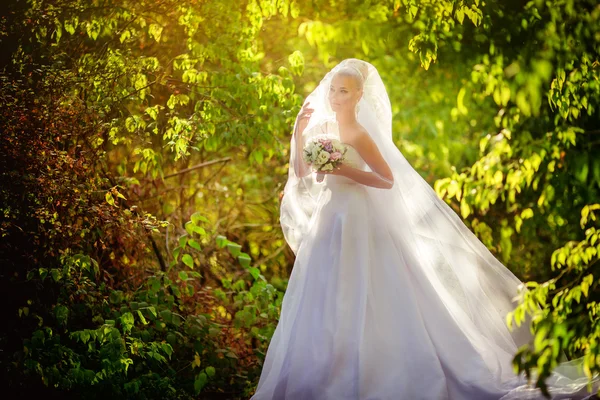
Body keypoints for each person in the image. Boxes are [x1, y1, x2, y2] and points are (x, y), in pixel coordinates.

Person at [250, 58, 600, 399]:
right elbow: (300, 171)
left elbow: (386, 179)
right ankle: (325, 371)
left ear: (357, 96)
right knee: (325, 291)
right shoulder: (322, 132)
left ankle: (381, 370)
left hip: (358, 218)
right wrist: (298, 129)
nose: (335, 97)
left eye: (343, 92)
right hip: (330, 219)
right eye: (333, 90)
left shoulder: (358, 133)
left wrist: (345, 171)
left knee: (368, 288)